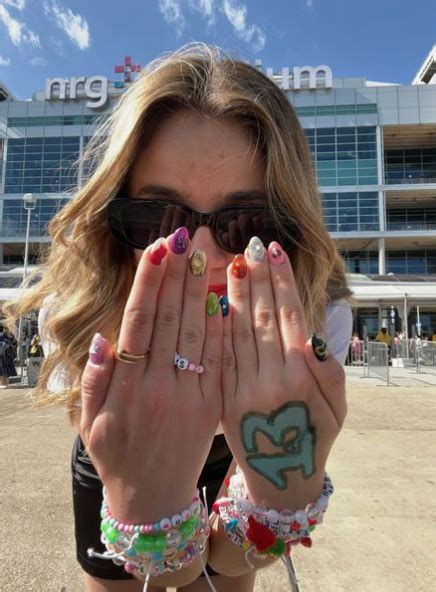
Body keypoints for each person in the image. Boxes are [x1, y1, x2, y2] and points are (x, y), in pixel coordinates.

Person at [3, 44, 353, 592]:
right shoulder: (78, 318)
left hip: (229, 457)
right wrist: (149, 510)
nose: (206, 256)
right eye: (158, 218)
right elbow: (162, 566)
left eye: (246, 222)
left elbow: (230, 565)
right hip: (124, 451)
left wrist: (278, 500)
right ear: (113, 216)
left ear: (292, 223)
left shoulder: (315, 312)